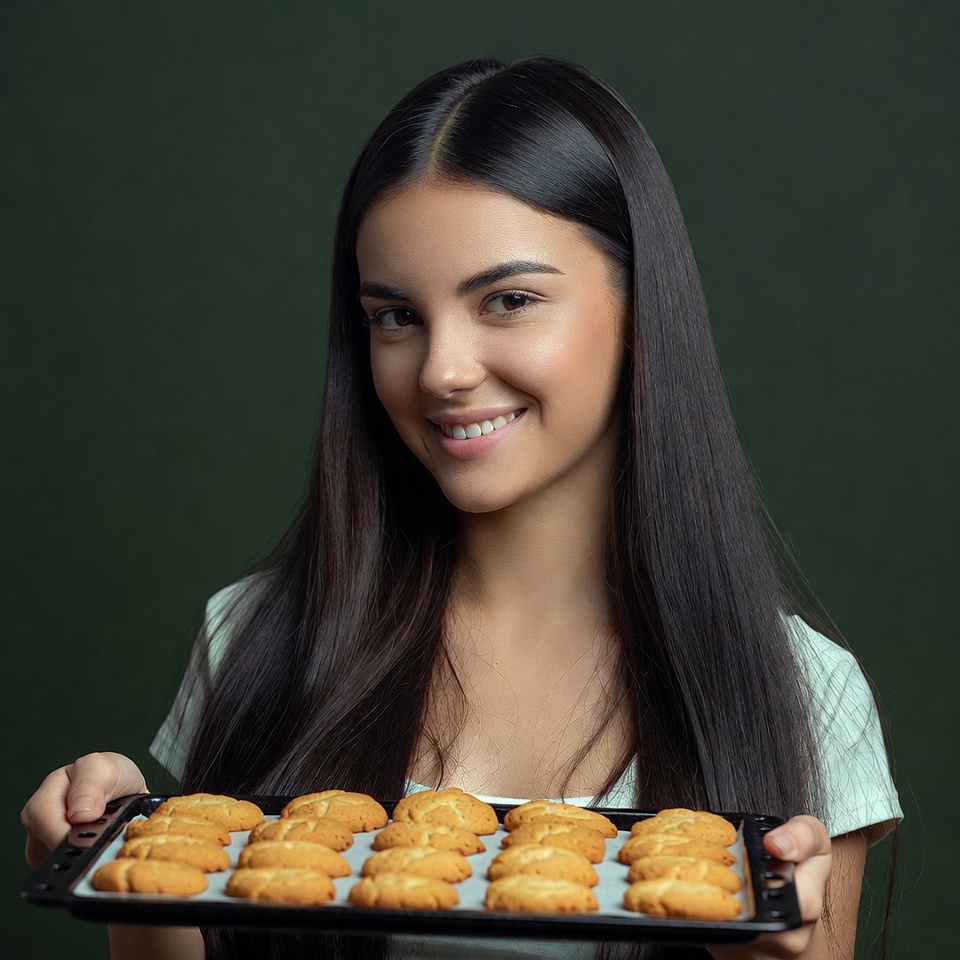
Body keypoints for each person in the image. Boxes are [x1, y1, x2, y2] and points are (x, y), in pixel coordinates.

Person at [21, 56, 900, 960]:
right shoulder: (252, 636)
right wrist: (125, 861)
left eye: (509, 300)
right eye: (395, 316)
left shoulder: (800, 695)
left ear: (643, 313)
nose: (441, 370)